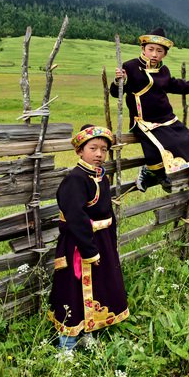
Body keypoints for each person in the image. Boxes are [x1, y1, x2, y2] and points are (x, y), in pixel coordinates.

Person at [47, 124, 129, 350]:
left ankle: (86, 331)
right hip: (79, 244)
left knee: (98, 288)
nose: (99, 154)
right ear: (79, 151)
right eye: (93, 148)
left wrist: (109, 244)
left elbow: (107, 213)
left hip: (99, 242)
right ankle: (67, 344)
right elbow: (75, 218)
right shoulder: (75, 179)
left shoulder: (101, 176)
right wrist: (90, 250)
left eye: (104, 149)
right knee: (72, 292)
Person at [110, 27, 189, 193]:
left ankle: (154, 172)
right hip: (143, 120)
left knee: (184, 139)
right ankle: (157, 173)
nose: (154, 54)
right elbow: (114, 92)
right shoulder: (130, 66)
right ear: (143, 49)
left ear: (165, 54)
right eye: (151, 49)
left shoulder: (164, 70)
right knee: (154, 144)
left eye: (159, 51)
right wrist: (120, 80)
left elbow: (177, 85)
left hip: (166, 117)